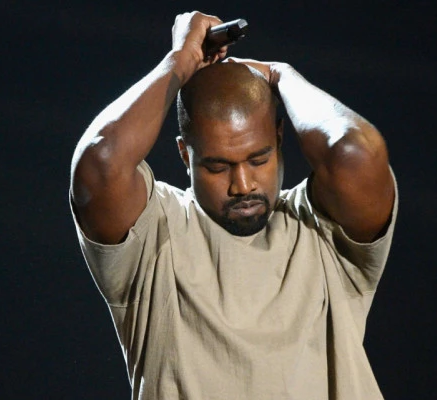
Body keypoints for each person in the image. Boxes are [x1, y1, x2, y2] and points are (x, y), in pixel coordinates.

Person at [70, 10, 397, 400]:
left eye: (259, 160)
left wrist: (280, 76)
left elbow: (356, 152)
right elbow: (102, 160)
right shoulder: (154, 237)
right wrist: (180, 62)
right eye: (218, 166)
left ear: (279, 137)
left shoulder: (321, 230)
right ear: (185, 155)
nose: (243, 185)